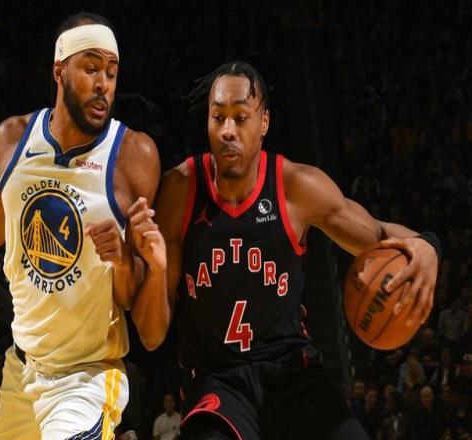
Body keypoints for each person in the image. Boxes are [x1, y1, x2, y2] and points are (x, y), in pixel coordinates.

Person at [131, 61, 439, 439]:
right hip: (217, 382)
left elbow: (378, 234)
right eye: (218, 117)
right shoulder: (180, 190)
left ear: (264, 123)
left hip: (291, 374)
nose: (228, 130)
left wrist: (428, 246)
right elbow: (151, 336)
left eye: (241, 117)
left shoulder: (294, 186)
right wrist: (156, 270)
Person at [0, 12, 165, 439]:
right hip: (22, 371)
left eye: (111, 72)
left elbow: (133, 294)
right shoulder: (12, 139)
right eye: (91, 68)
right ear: (59, 71)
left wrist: (123, 260)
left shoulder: (133, 155)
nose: (103, 84)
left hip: (86, 378)